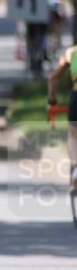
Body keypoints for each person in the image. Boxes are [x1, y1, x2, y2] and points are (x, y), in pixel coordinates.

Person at [47, 44, 77, 187]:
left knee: (73, 136)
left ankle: (76, 168)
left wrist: (52, 102)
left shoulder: (72, 52)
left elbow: (53, 78)